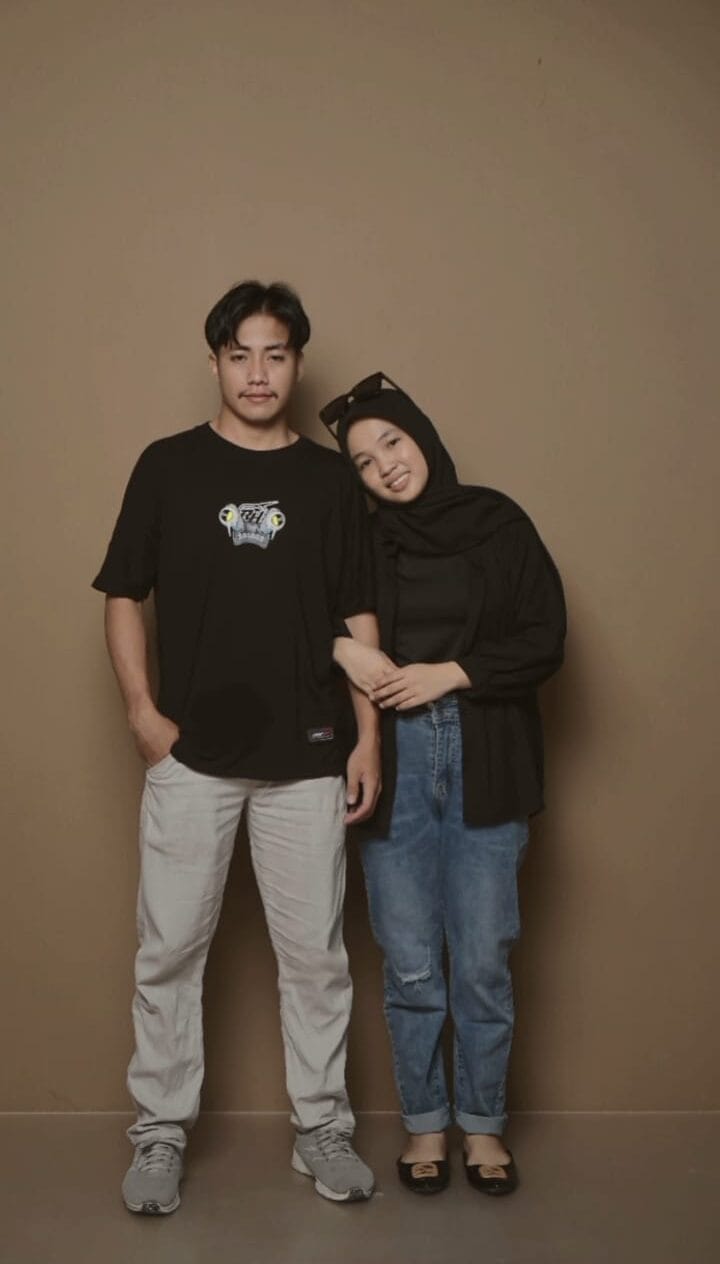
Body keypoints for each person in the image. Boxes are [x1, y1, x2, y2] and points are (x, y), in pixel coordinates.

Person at [93, 283, 381, 1215]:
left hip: (309, 757)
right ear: (216, 361)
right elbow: (123, 593)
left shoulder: (330, 482)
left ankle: (322, 1128)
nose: (258, 373)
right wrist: (143, 715)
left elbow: (358, 613)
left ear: (297, 364)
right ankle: (159, 1133)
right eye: (240, 354)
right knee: (169, 953)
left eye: (276, 354)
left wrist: (368, 736)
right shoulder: (167, 466)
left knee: (317, 960)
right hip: (191, 759)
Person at [324, 373, 566, 1196]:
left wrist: (452, 673)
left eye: (392, 442)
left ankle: (484, 1125)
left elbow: (546, 635)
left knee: (484, 957)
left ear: (420, 434)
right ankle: (426, 1122)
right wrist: (340, 648)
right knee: (410, 960)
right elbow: (303, 617)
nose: (385, 466)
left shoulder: (498, 522)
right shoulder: (360, 543)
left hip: (487, 753)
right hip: (392, 757)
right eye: (363, 462)